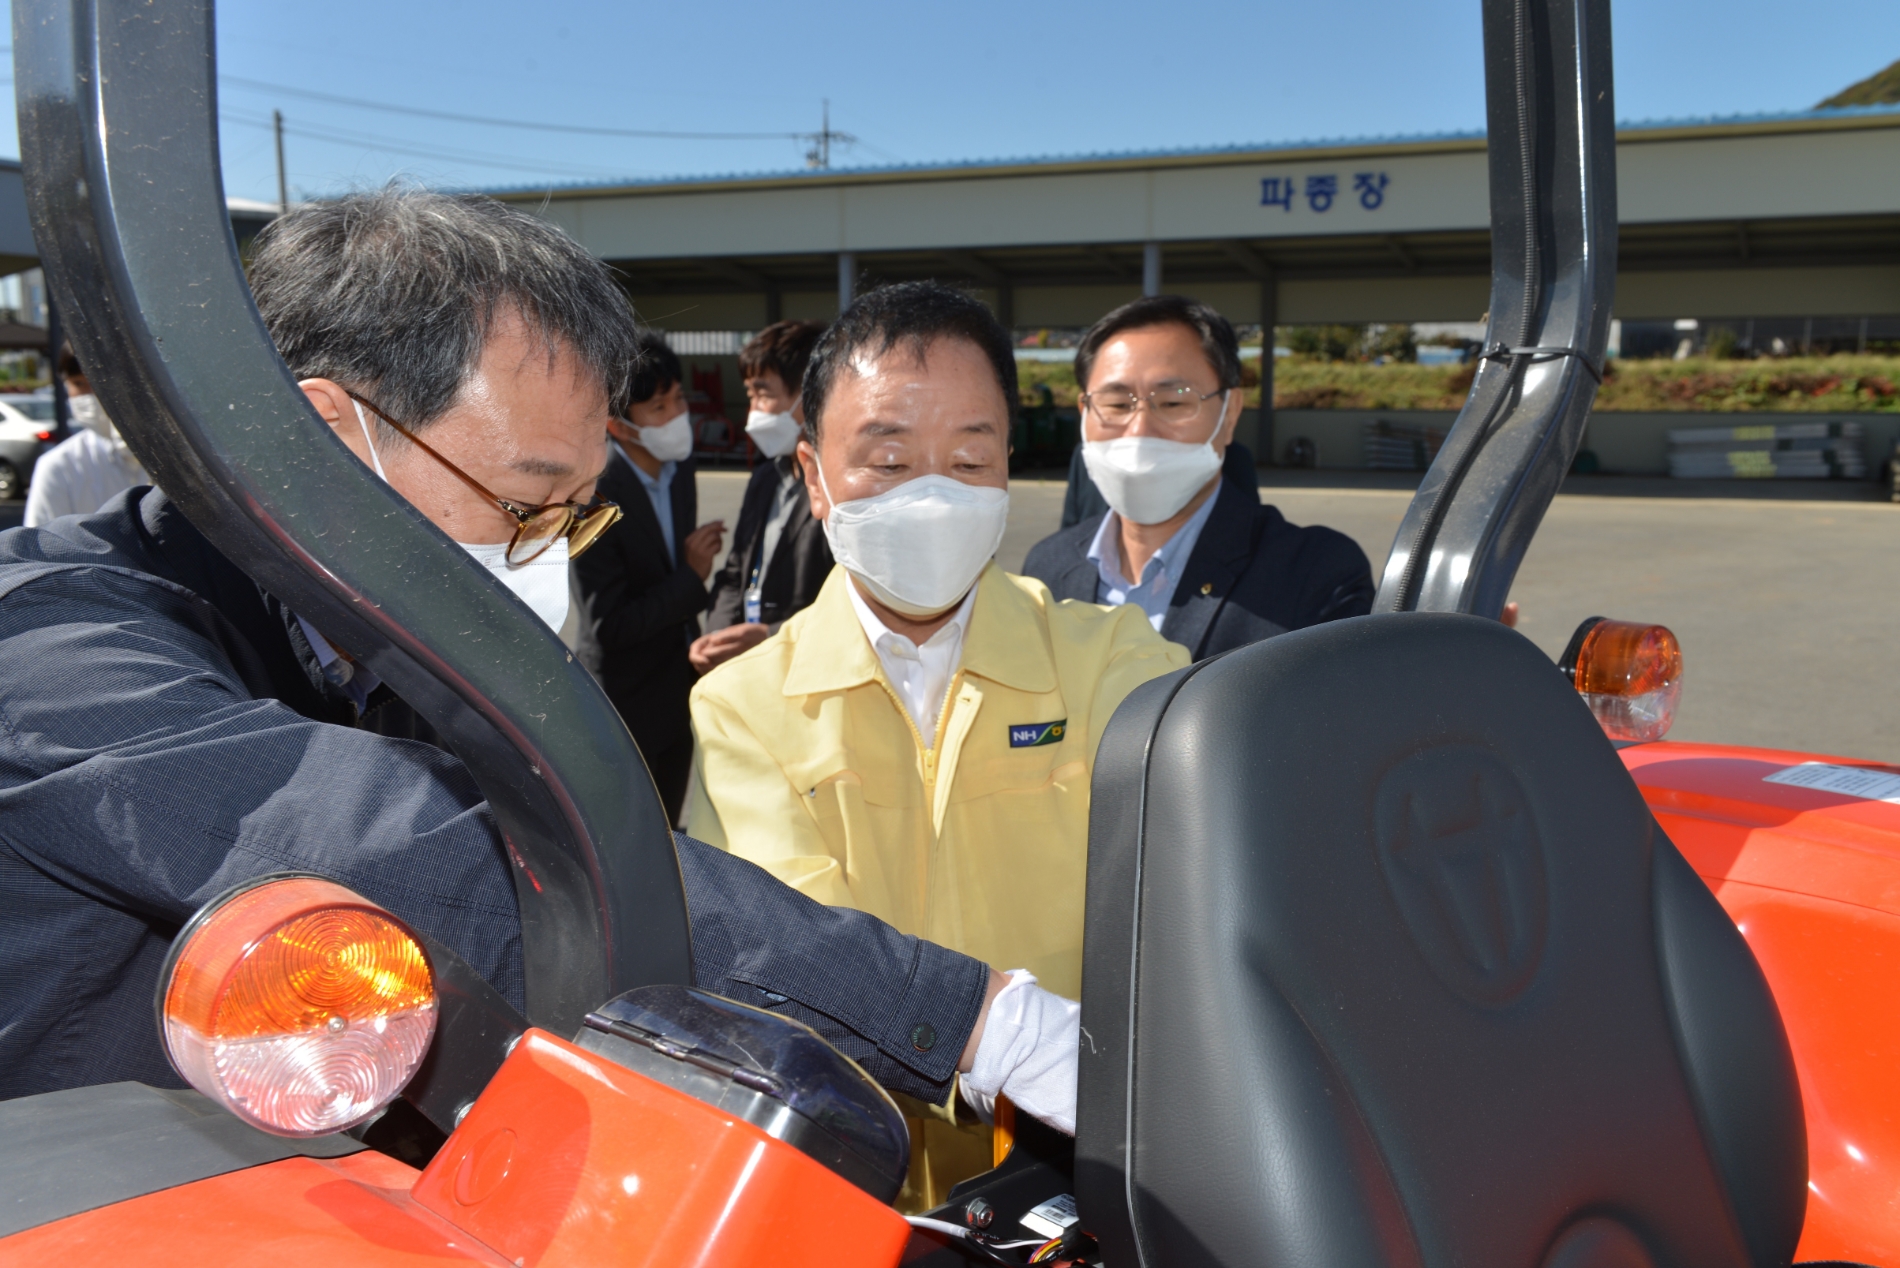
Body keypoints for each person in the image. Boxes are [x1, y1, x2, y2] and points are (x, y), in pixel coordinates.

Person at [0, 190, 1080, 1151]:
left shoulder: (372, 649)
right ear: (321, 438)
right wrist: (970, 1015)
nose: (551, 555)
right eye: (526, 504)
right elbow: (412, 842)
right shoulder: (56, 643)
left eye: (578, 511)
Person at [687, 281, 1189, 1204]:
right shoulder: (743, 707)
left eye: (968, 460)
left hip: (1095, 1185)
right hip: (852, 1193)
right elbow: (782, 953)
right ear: (814, 476)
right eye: (886, 460)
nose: (931, 496)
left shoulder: (1114, 664)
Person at [1023, 296, 1375, 659]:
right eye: (1116, 404)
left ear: (1229, 413)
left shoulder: (1314, 576)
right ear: (1085, 413)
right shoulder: (1047, 567)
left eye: (1174, 402)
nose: (1139, 430)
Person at [570, 331, 725, 825]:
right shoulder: (594, 497)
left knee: (673, 830)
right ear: (619, 427)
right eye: (658, 408)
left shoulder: (681, 468)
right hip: (625, 706)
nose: (676, 416)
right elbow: (607, 625)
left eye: (677, 399)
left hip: (677, 690)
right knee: (631, 838)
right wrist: (691, 578)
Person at [691, 320, 832, 676]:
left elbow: (853, 605)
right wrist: (718, 634)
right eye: (749, 395)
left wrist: (770, 635)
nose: (752, 410)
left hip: (810, 670)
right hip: (752, 673)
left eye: (762, 394)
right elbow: (737, 567)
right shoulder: (766, 477)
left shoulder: (838, 488)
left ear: (809, 394)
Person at [22, 343, 148, 526]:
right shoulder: (60, 466)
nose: (92, 395)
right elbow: (43, 547)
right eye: (79, 384)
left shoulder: (179, 456)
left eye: (101, 382)